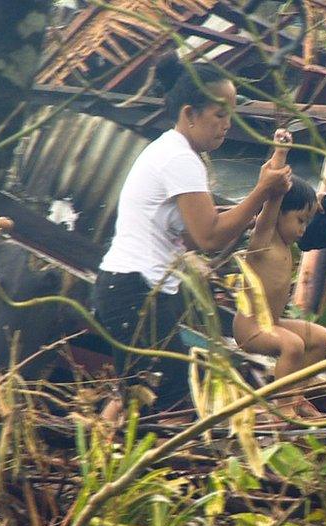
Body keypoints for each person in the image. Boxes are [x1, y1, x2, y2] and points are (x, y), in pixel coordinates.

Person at [93, 57, 292, 421]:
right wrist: (261, 191)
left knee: (135, 391)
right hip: (134, 290)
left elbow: (197, 235)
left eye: (231, 115)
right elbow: (210, 236)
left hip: (138, 288)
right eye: (219, 115)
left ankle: (98, 455)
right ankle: (114, 460)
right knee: (160, 395)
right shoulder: (179, 160)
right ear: (190, 113)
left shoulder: (172, 151)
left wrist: (258, 202)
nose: (227, 126)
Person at [232, 130, 326, 418]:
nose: (303, 229)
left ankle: (295, 394)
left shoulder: (289, 246)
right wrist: (281, 150)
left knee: (321, 337)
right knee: (293, 345)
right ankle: (283, 409)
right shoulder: (264, 239)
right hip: (250, 329)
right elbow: (272, 196)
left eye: (307, 222)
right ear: (280, 215)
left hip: (272, 323)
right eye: (300, 220)